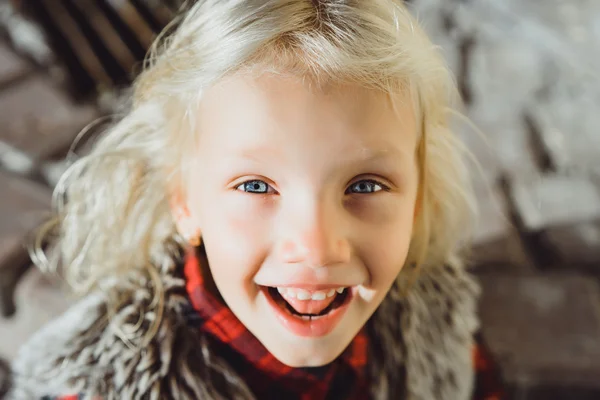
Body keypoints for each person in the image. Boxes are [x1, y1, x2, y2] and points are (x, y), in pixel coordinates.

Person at [7, 0, 503, 399]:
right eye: (255, 186)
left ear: (417, 198)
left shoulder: (440, 327)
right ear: (185, 201)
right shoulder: (92, 391)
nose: (316, 248)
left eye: (365, 185)